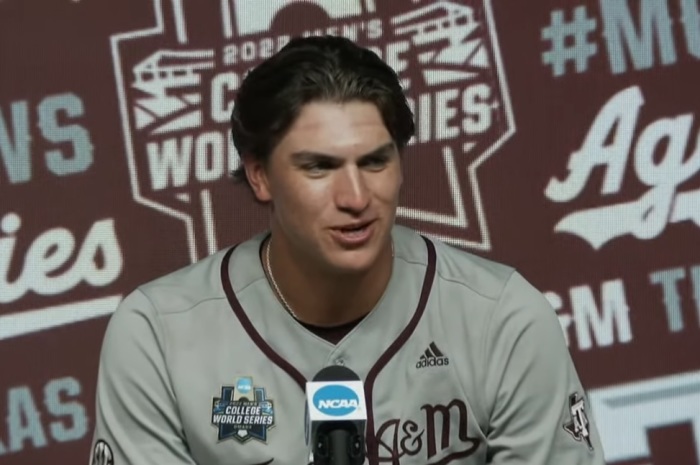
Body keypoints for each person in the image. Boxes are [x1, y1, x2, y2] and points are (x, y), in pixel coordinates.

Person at [89, 35, 607, 465]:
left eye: (376, 162)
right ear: (260, 175)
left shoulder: (502, 318)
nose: (356, 198)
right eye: (319, 167)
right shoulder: (156, 334)